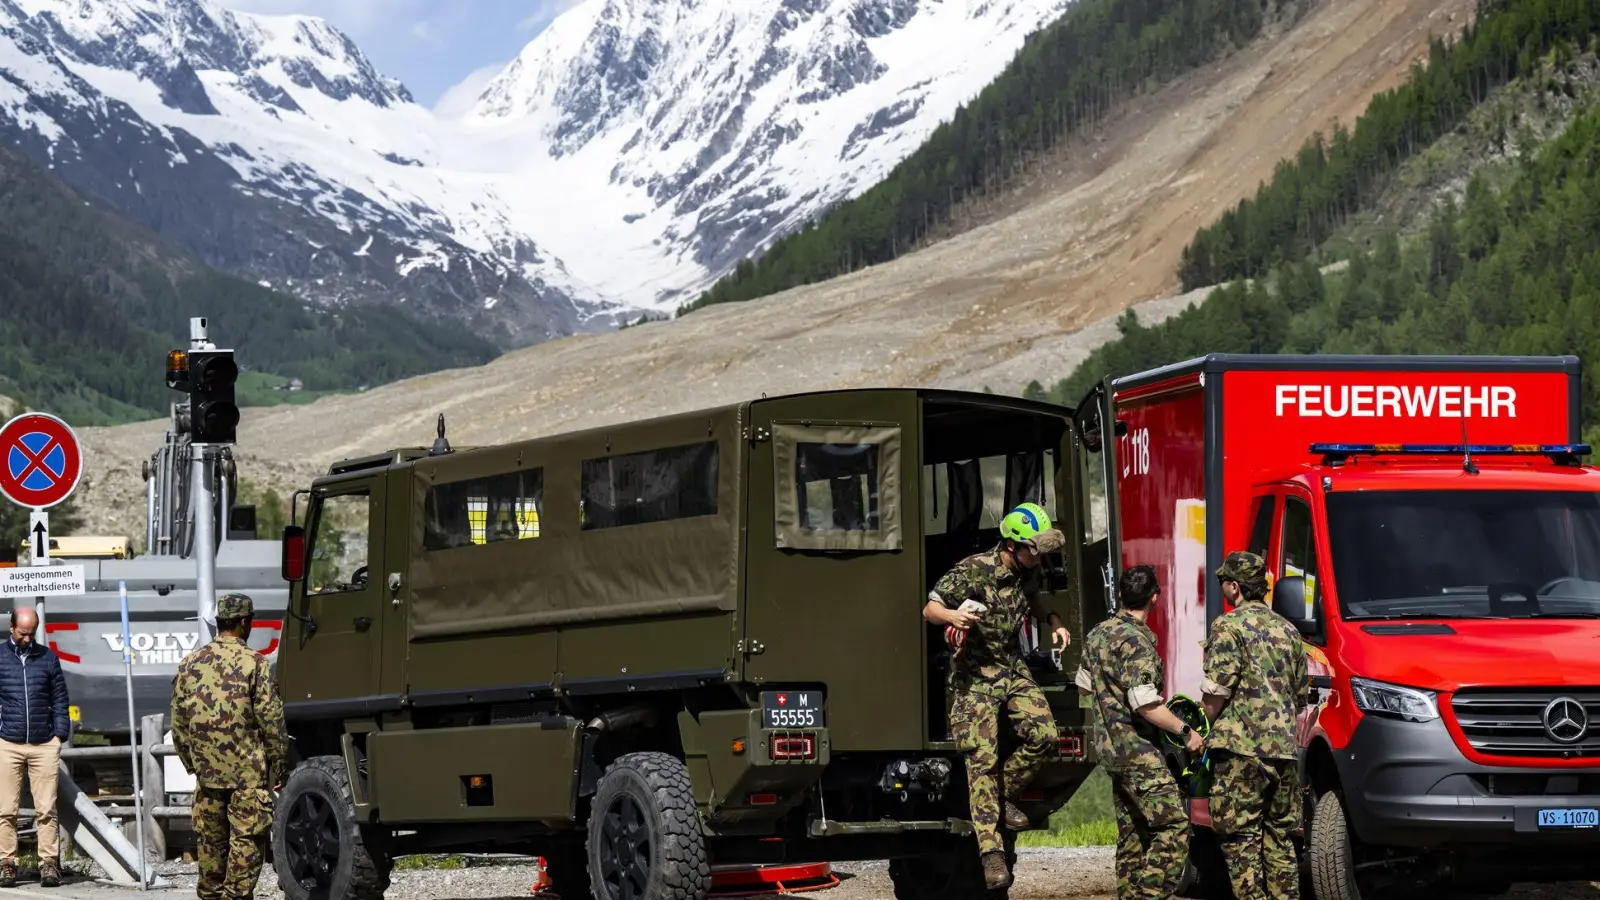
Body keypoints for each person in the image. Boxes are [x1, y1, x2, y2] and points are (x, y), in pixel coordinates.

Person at [923, 502, 1071, 890]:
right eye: (1033, 551)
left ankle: (1002, 793)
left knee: (1045, 736)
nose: (1038, 560)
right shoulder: (975, 569)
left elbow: (1035, 598)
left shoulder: (1026, 571)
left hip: (1010, 667)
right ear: (1010, 545)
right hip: (974, 677)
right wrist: (952, 617)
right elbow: (930, 607)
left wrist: (1053, 620)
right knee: (982, 762)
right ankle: (992, 855)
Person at [1075, 565, 1204, 899]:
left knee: (1132, 831)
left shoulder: (1097, 634)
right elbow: (1145, 703)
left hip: (1110, 750)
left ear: (1121, 595)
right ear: (1155, 598)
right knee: (1174, 826)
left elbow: (1084, 684)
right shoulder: (1138, 643)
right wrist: (1186, 731)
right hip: (1137, 752)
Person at [1201, 552, 1308, 900]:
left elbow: (1216, 693)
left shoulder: (1227, 626)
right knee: (1280, 838)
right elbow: (1301, 697)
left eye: (1223, 583)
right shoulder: (1290, 632)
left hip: (1240, 754)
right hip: (1285, 754)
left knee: (1240, 840)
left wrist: (1201, 731)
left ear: (1234, 586)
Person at [171, 594, 288, 900]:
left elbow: (179, 725)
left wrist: (194, 765)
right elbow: (272, 723)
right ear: (245, 623)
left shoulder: (190, 663)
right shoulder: (256, 663)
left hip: (207, 779)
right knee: (246, 846)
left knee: (211, 851)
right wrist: (280, 767)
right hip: (247, 778)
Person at [0, 606, 70, 888]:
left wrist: (59, 735)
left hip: (44, 743)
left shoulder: (48, 657)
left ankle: (49, 865)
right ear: (11, 628)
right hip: (8, 743)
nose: (28, 639)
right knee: (5, 810)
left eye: (32, 633)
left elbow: (60, 698)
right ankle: (7, 864)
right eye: (23, 633)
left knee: (46, 810)